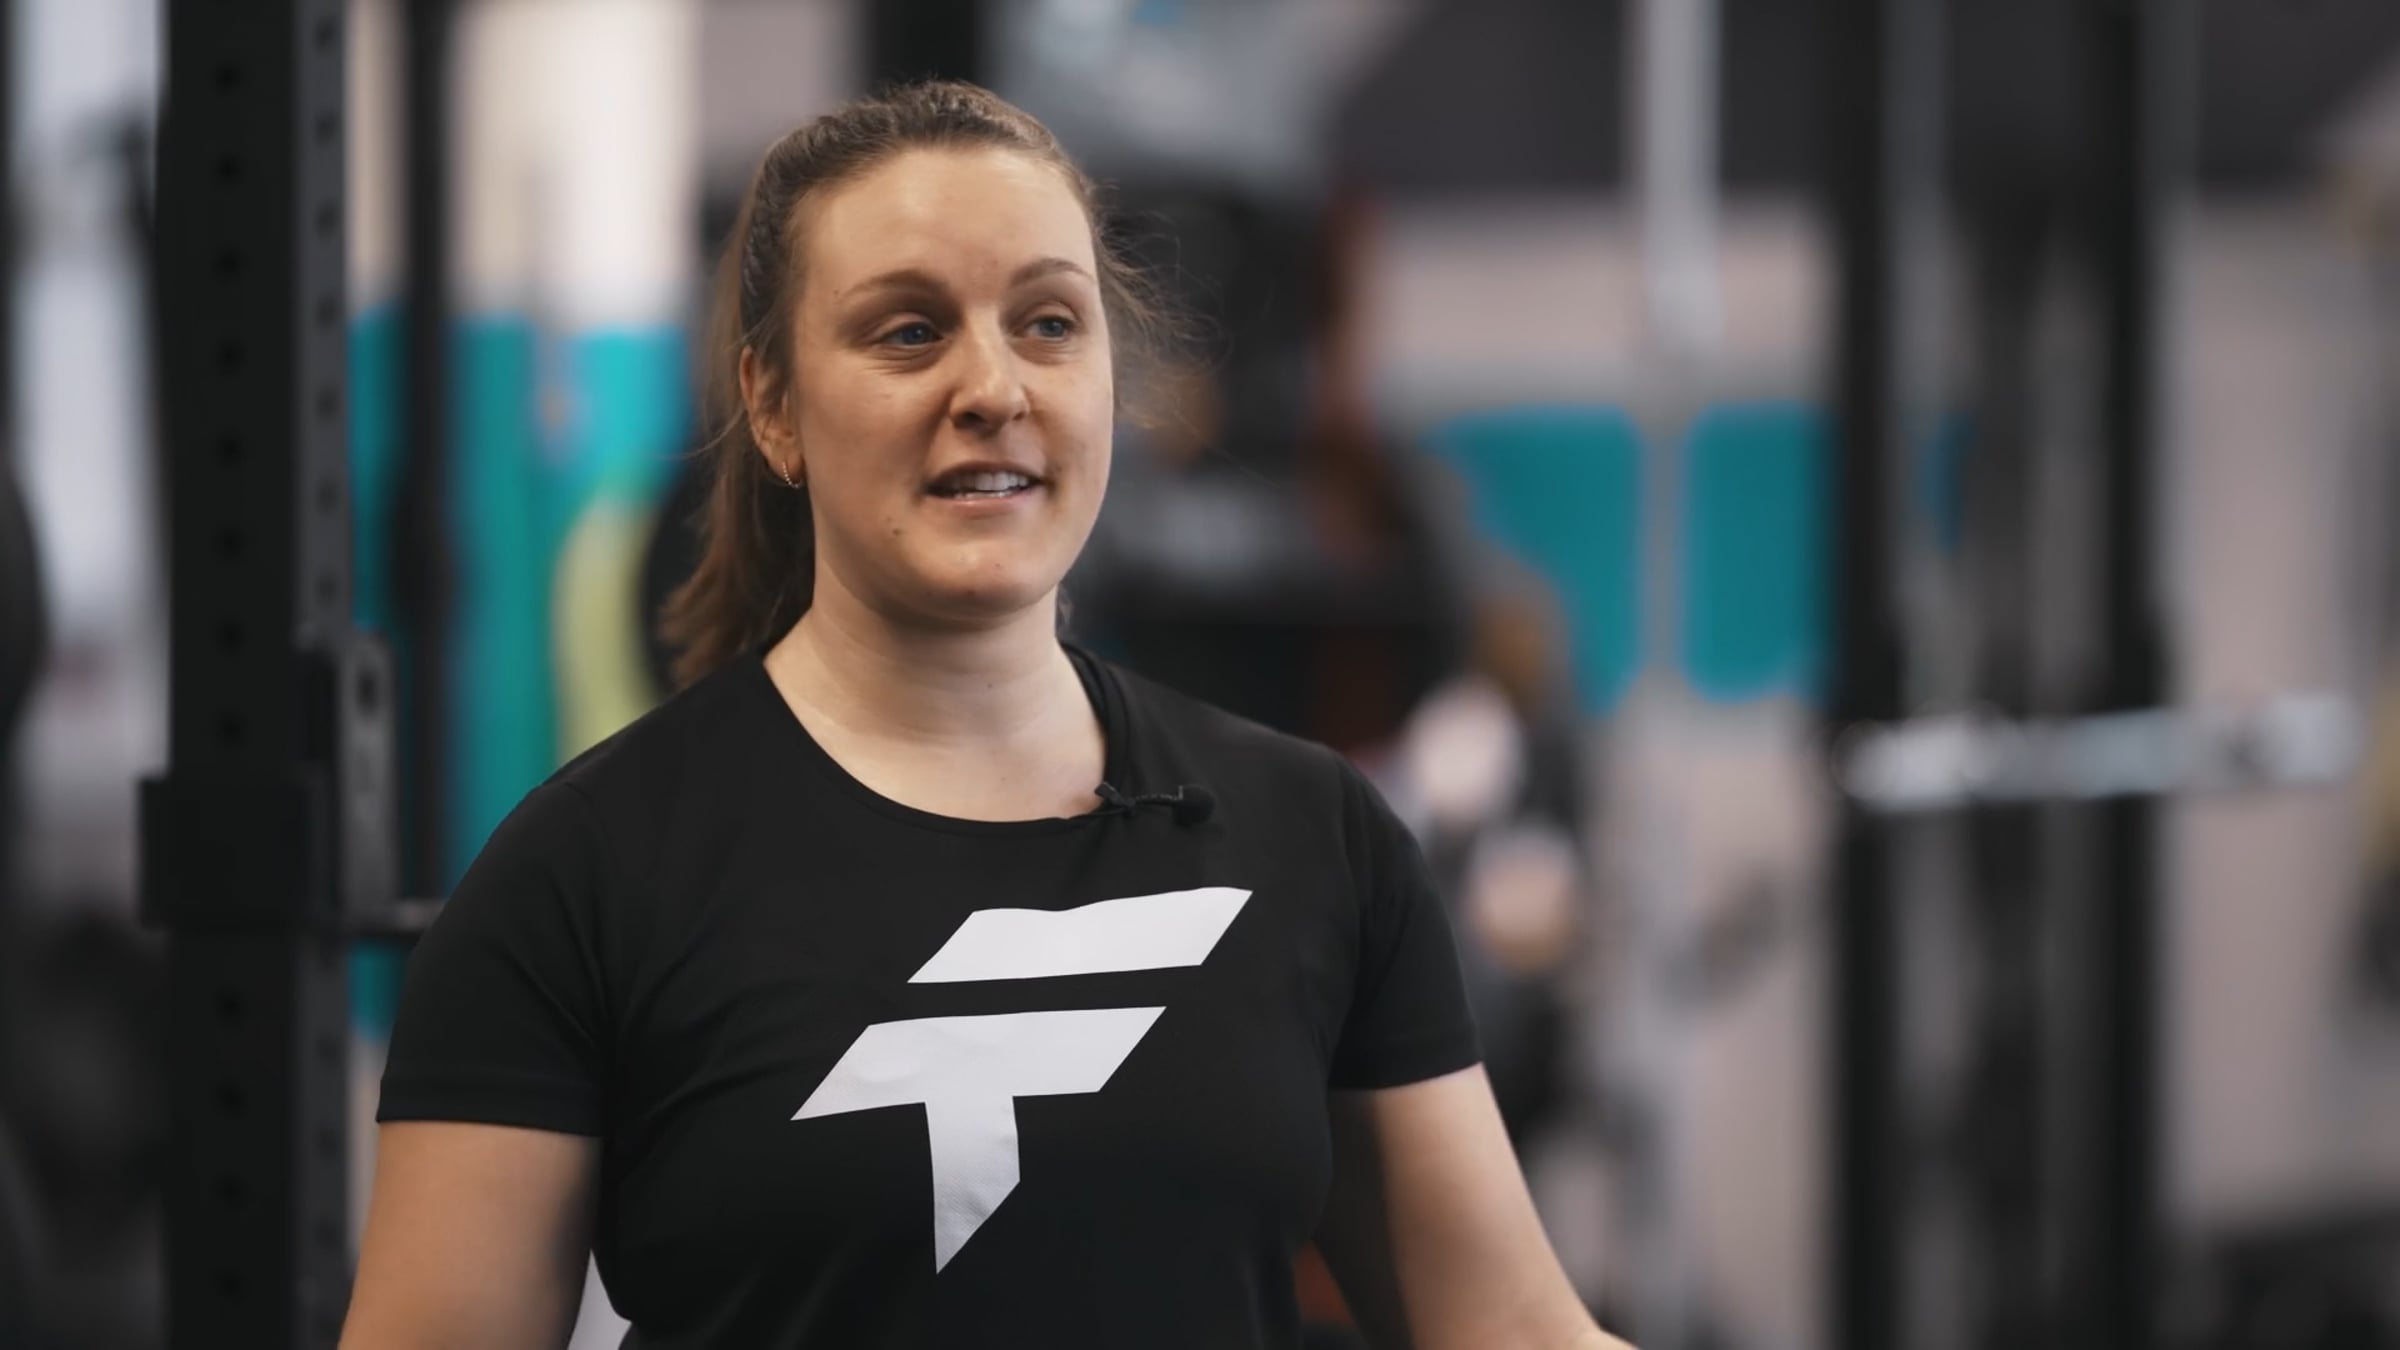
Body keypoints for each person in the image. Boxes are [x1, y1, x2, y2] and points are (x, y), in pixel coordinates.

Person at [340, 80, 1628, 1350]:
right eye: (909, 332)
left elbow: (1514, 1329)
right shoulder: (585, 877)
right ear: (773, 407)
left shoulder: (1314, 840)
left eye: (1049, 324)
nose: (994, 387)